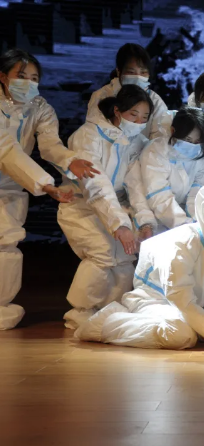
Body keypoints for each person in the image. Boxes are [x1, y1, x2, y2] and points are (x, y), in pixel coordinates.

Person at [75, 182, 204, 350]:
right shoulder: (183, 242)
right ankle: (106, 323)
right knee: (181, 334)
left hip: (194, 305)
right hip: (155, 301)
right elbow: (180, 297)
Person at [0, 49, 99, 330]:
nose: (29, 83)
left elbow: (50, 145)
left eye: (34, 78)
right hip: (19, 174)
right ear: (3, 77)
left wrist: (70, 161)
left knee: (6, 244)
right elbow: (5, 148)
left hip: (10, 186)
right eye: (22, 76)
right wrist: (45, 184)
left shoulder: (40, 107)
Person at [58, 85, 156, 329]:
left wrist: (144, 221)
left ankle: (111, 311)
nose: (139, 122)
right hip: (81, 206)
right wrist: (119, 225)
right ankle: (80, 311)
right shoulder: (88, 135)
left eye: (144, 117)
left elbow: (136, 186)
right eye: (133, 114)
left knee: (125, 256)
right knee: (102, 252)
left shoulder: (138, 142)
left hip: (117, 208)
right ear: (117, 110)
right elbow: (96, 184)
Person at [141, 106, 204, 232]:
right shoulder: (156, 152)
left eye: (198, 141)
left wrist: (196, 220)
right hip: (151, 214)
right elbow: (159, 195)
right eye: (187, 140)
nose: (192, 145)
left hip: (182, 214)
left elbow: (197, 191)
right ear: (173, 131)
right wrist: (183, 224)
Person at [87, 43, 167, 139]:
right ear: (119, 72)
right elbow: (93, 133)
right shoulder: (101, 96)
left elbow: (161, 138)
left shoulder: (156, 101)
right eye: (131, 72)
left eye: (143, 72)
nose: (138, 77)